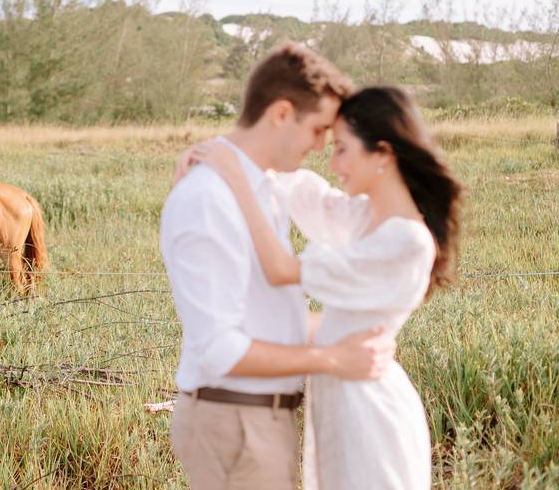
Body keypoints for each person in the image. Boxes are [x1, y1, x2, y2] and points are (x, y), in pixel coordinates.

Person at [179, 85, 463, 489]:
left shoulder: (407, 242)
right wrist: (223, 153)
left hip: (370, 407)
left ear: (382, 153)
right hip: (343, 396)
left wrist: (233, 177)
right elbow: (298, 190)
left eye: (342, 149)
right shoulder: (363, 217)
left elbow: (280, 269)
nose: (332, 162)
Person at [159, 41, 397, 490]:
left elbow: (268, 314)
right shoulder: (209, 199)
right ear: (282, 113)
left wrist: (351, 337)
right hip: (233, 423)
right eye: (318, 129)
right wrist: (332, 358)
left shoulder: (265, 190)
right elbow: (219, 349)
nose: (323, 144)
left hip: (257, 420)